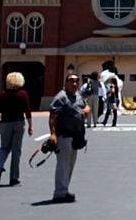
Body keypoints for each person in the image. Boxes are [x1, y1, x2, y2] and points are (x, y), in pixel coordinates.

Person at [48, 73, 89, 203]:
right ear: (66, 82)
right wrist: (53, 134)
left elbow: (85, 105)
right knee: (63, 165)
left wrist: (87, 109)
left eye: (77, 81)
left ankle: (64, 190)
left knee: (70, 165)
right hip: (64, 136)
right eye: (71, 81)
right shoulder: (61, 97)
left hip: (76, 136)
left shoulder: (78, 96)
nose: (74, 83)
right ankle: (59, 192)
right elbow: (53, 117)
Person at [0, 71, 33, 186]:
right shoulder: (23, 94)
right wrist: (30, 126)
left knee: (4, 147)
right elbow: (27, 111)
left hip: (5, 123)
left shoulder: (2, 94)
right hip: (19, 123)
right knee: (16, 150)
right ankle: (14, 177)